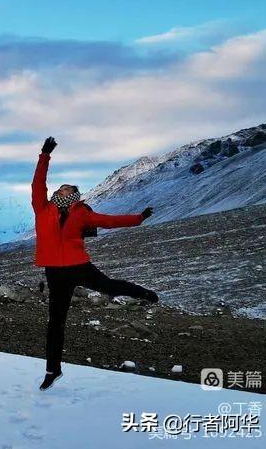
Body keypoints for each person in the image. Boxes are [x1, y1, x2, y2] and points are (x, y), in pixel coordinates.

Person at [33, 137, 158, 391]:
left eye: (65, 188)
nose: (60, 189)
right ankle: (52, 370)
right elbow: (38, 183)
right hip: (54, 272)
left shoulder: (82, 214)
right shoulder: (42, 208)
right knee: (56, 322)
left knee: (110, 288)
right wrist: (45, 155)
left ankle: (142, 293)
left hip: (80, 266)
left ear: (74, 195)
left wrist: (139, 218)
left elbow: (109, 220)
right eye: (60, 187)